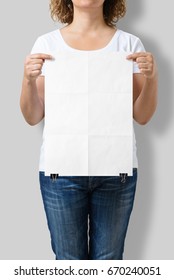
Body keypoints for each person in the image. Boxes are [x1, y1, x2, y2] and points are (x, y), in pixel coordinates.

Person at [20, 0, 158, 260]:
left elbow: (142, 115)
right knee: (69, 263)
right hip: (60, 173)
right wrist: (27, 80)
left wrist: (152, 79)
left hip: (116, 173)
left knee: (108, 262)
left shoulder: (128, 44)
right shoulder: (47, 45)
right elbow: (32, 116)